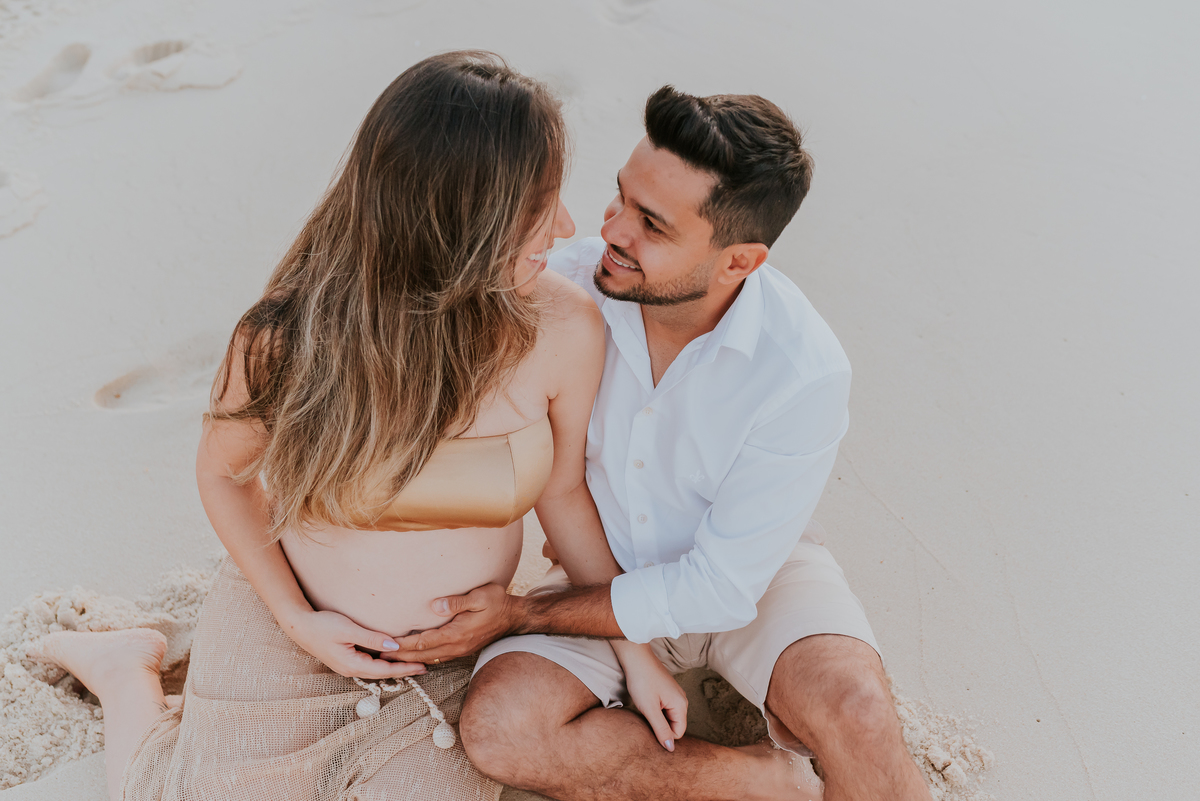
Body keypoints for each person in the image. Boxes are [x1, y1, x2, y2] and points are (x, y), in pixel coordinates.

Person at [28, 51, 686, 801]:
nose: (565, 227)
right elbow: (222, 474)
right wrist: (296, 617)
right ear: (455, 218)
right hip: (293, 625)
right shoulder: (285, 337)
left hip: (444, 657)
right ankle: (123, 669)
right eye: (537, 205)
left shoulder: (565, 330)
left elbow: (564, 496)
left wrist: (631, 649)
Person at [385, 86, 935, 801]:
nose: (610, 229)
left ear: (738, 262)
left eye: (651, 223)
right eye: (620, 197)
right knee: (501, 726)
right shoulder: (558, 291)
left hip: (753, 581)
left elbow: (720, 586)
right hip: (591, 566)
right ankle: (768, 782)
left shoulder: (802, 370)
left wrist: (523, 612)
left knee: (858, 716)